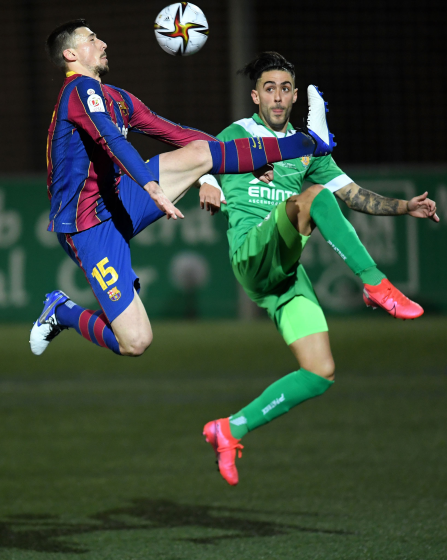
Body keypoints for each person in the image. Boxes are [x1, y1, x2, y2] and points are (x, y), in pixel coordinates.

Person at [198, 51, 439, 486]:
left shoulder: (306, 150)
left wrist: (406, 207)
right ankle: (375, 284)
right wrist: (208, 185)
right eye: (268, 88)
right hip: (252, 253)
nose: (277, 96)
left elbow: (351, 194)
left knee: (320, 371)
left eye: (285, 89)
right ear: (255, 95)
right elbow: (202, 162)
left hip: (285, 274)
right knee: (312, 199)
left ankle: (231, 428)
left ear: (293, 97)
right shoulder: (237, 135)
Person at [30, 22, 334, 358]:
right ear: (70, 54)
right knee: (135, 341)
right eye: (92, 39)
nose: (103, 43)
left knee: (200, 154)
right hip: (88, 225)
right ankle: (62, 311)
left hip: (120, 197)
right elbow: (110, 139)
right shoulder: (78, 91)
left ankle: (307, 141)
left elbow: (173, 132)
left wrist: (239, 162)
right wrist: (150, 186)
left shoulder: (115, 97)